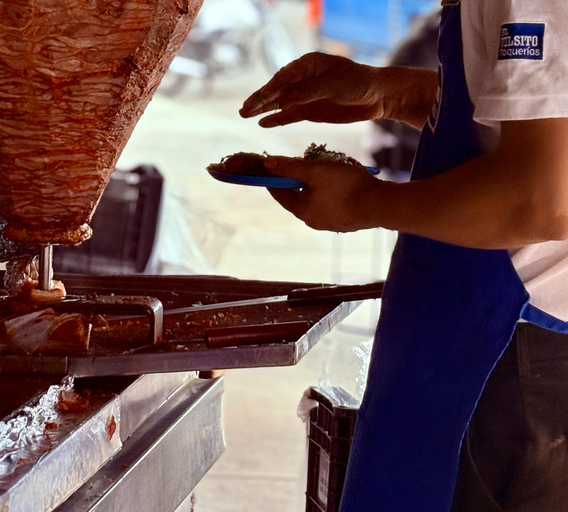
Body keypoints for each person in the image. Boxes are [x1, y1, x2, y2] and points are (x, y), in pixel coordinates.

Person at [239, 1, 568, 510]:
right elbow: (526, 116)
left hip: (511, 358)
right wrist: (391, 94)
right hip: (471, 329)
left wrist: (364, 202)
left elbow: (542, 201)